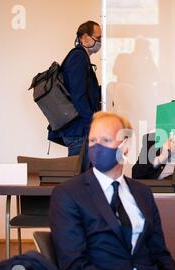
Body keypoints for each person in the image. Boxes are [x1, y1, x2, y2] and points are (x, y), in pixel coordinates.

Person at [49, 112, 175, 270]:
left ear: (125, 146)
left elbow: (160, 252)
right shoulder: (68, 195)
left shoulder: (142, 194)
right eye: (92, 140)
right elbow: (75, 269)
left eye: (105, 140)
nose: (97, 147)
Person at [48, 21, 102, 169]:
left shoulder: (81, 58)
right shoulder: (78, 57)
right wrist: (91, 124)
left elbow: (84, 92)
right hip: (79, 131)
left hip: (78, 130)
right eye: (98, 37)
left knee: (82, 180)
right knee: (79, 181)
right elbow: (79, 96)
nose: (100, 42)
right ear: (84, 38)